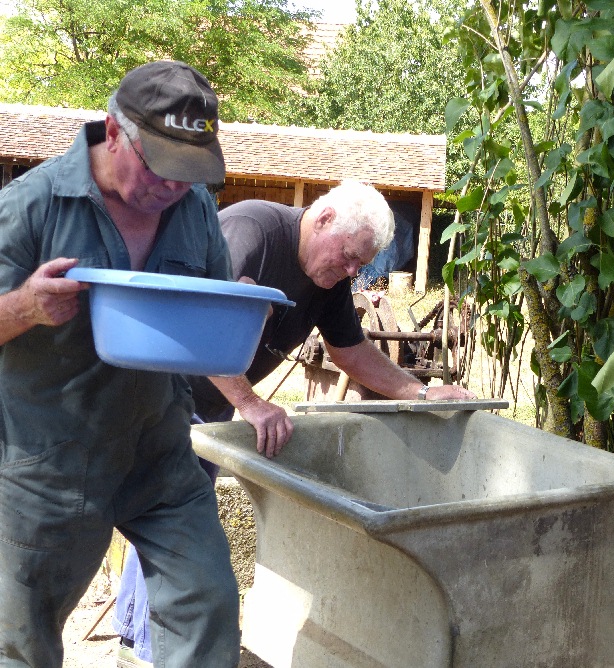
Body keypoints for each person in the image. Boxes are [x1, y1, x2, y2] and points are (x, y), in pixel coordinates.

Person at [113, 180, 477, 666]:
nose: (352, 271)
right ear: (324, 219)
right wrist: (251, 402)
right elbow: (201, 324)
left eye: (360, 265)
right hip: (155, 392)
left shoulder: (330, 279)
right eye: (349, 257)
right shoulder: (253, 231)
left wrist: (422, 392)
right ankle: (148, 651)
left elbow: (350, 351)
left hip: (210, 400)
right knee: (175, 522)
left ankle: (140, 642)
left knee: (172, 521)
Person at [0, 61, 241, 667]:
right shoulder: (33, 204)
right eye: (160, 166)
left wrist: (236, 320)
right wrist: (25, 306)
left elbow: (210, 313)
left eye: (190, 171)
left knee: (207, 599)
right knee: (23, 640)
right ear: (113, 132)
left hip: (158, 450)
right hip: (48, 462)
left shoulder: (194, 209)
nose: (174, 186)